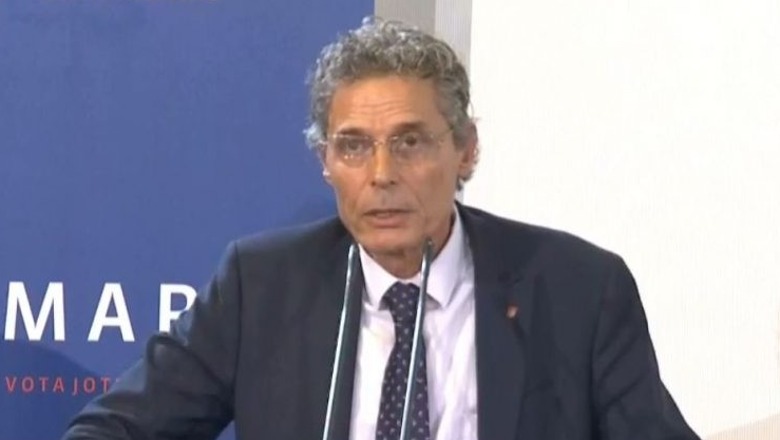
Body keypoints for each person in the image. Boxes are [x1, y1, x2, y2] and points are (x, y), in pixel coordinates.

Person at [62, 17, 700, 440]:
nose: (382, 174)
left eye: (410, 142)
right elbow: (111, 431)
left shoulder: (577, 290)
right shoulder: (262, 287)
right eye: (354, 146)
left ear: (466, 149)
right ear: (326, 161)